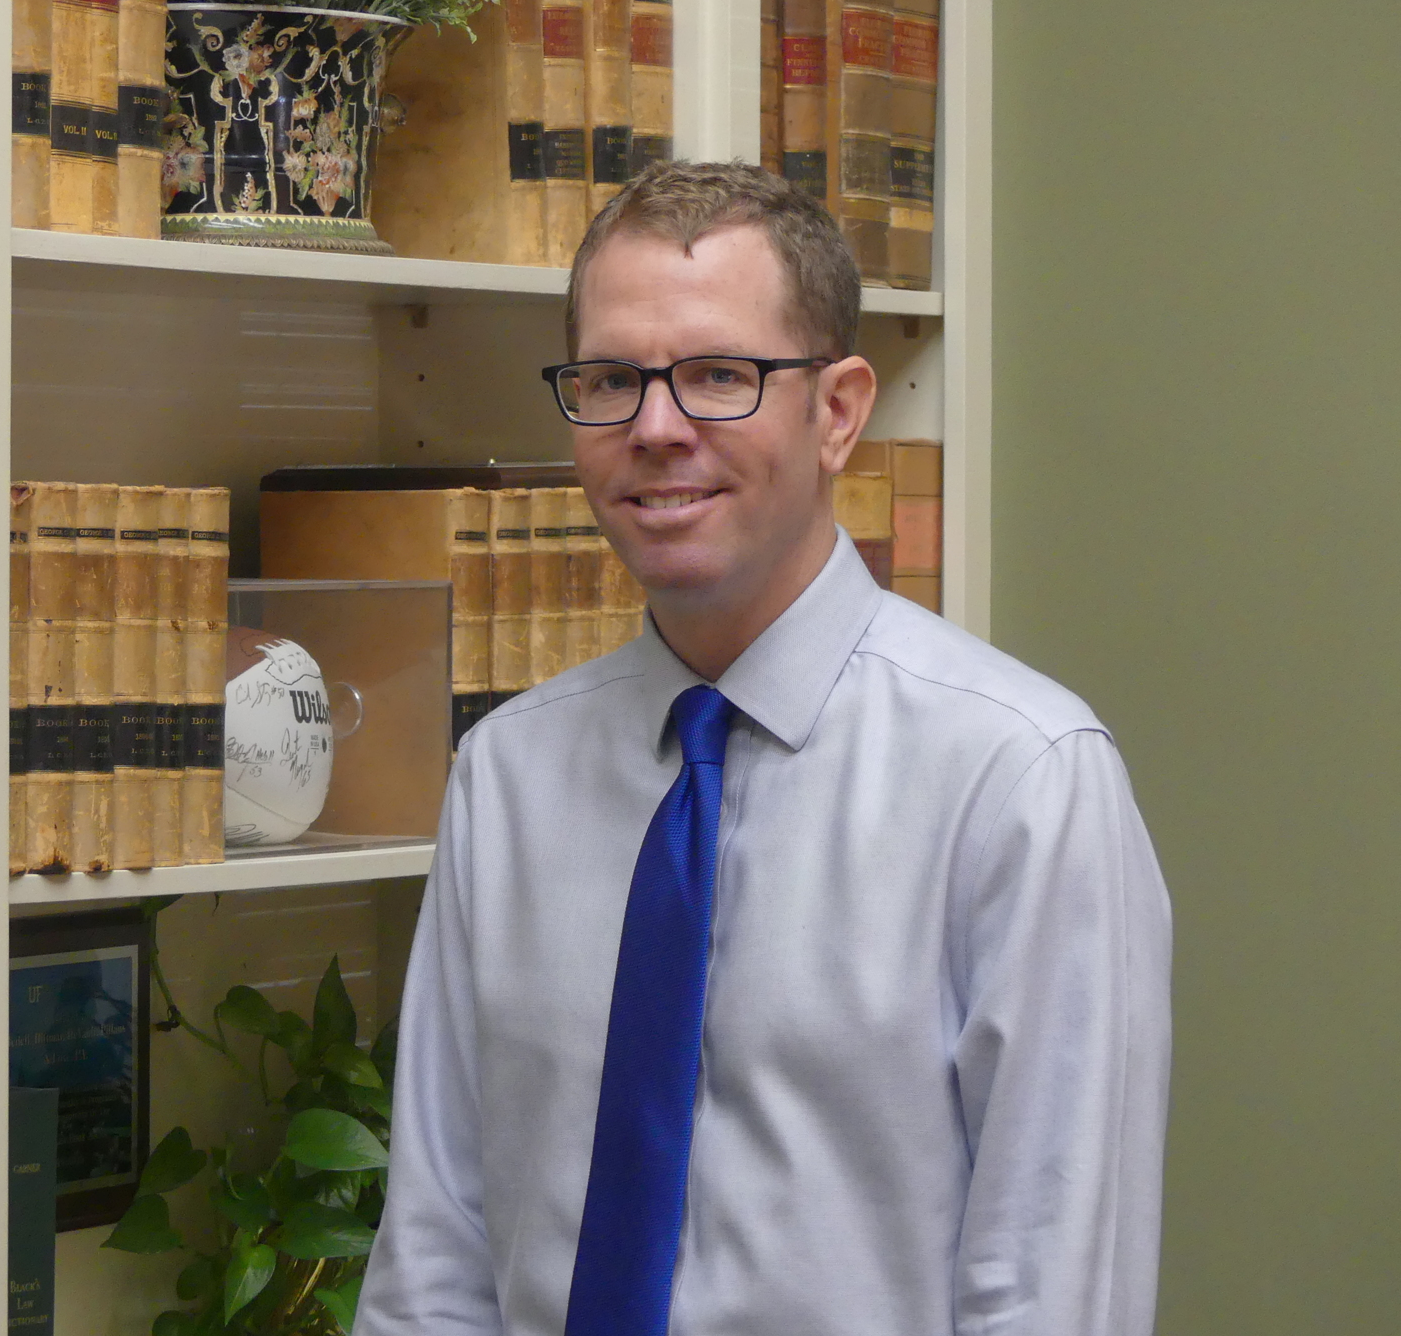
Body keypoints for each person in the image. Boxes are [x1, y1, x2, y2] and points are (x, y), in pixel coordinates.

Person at [356, 161, 1172, 1336]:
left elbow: (1049, 1288)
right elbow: (435, 1252)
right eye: (608, 381)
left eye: (717, 376)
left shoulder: (1017, 780)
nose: (653, 429)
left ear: (837, 410)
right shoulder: (507, 779)